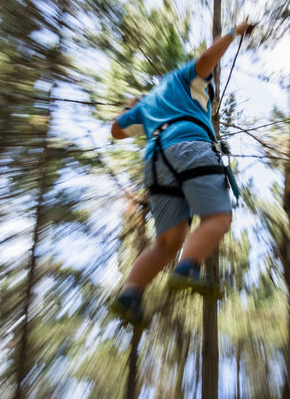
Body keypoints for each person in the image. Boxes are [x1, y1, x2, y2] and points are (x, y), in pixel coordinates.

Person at [108, 20, 255, 325]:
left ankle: (129, 294)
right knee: (218, 218)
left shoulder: (148, 104)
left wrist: (130, 108)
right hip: (189, 147)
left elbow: (117, 130)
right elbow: (205, 62)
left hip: (155, 162)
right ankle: (188, 266)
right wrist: (233, 32)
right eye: (209, 89)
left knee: (167, 243)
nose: (209, 92)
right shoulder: (185, 80)